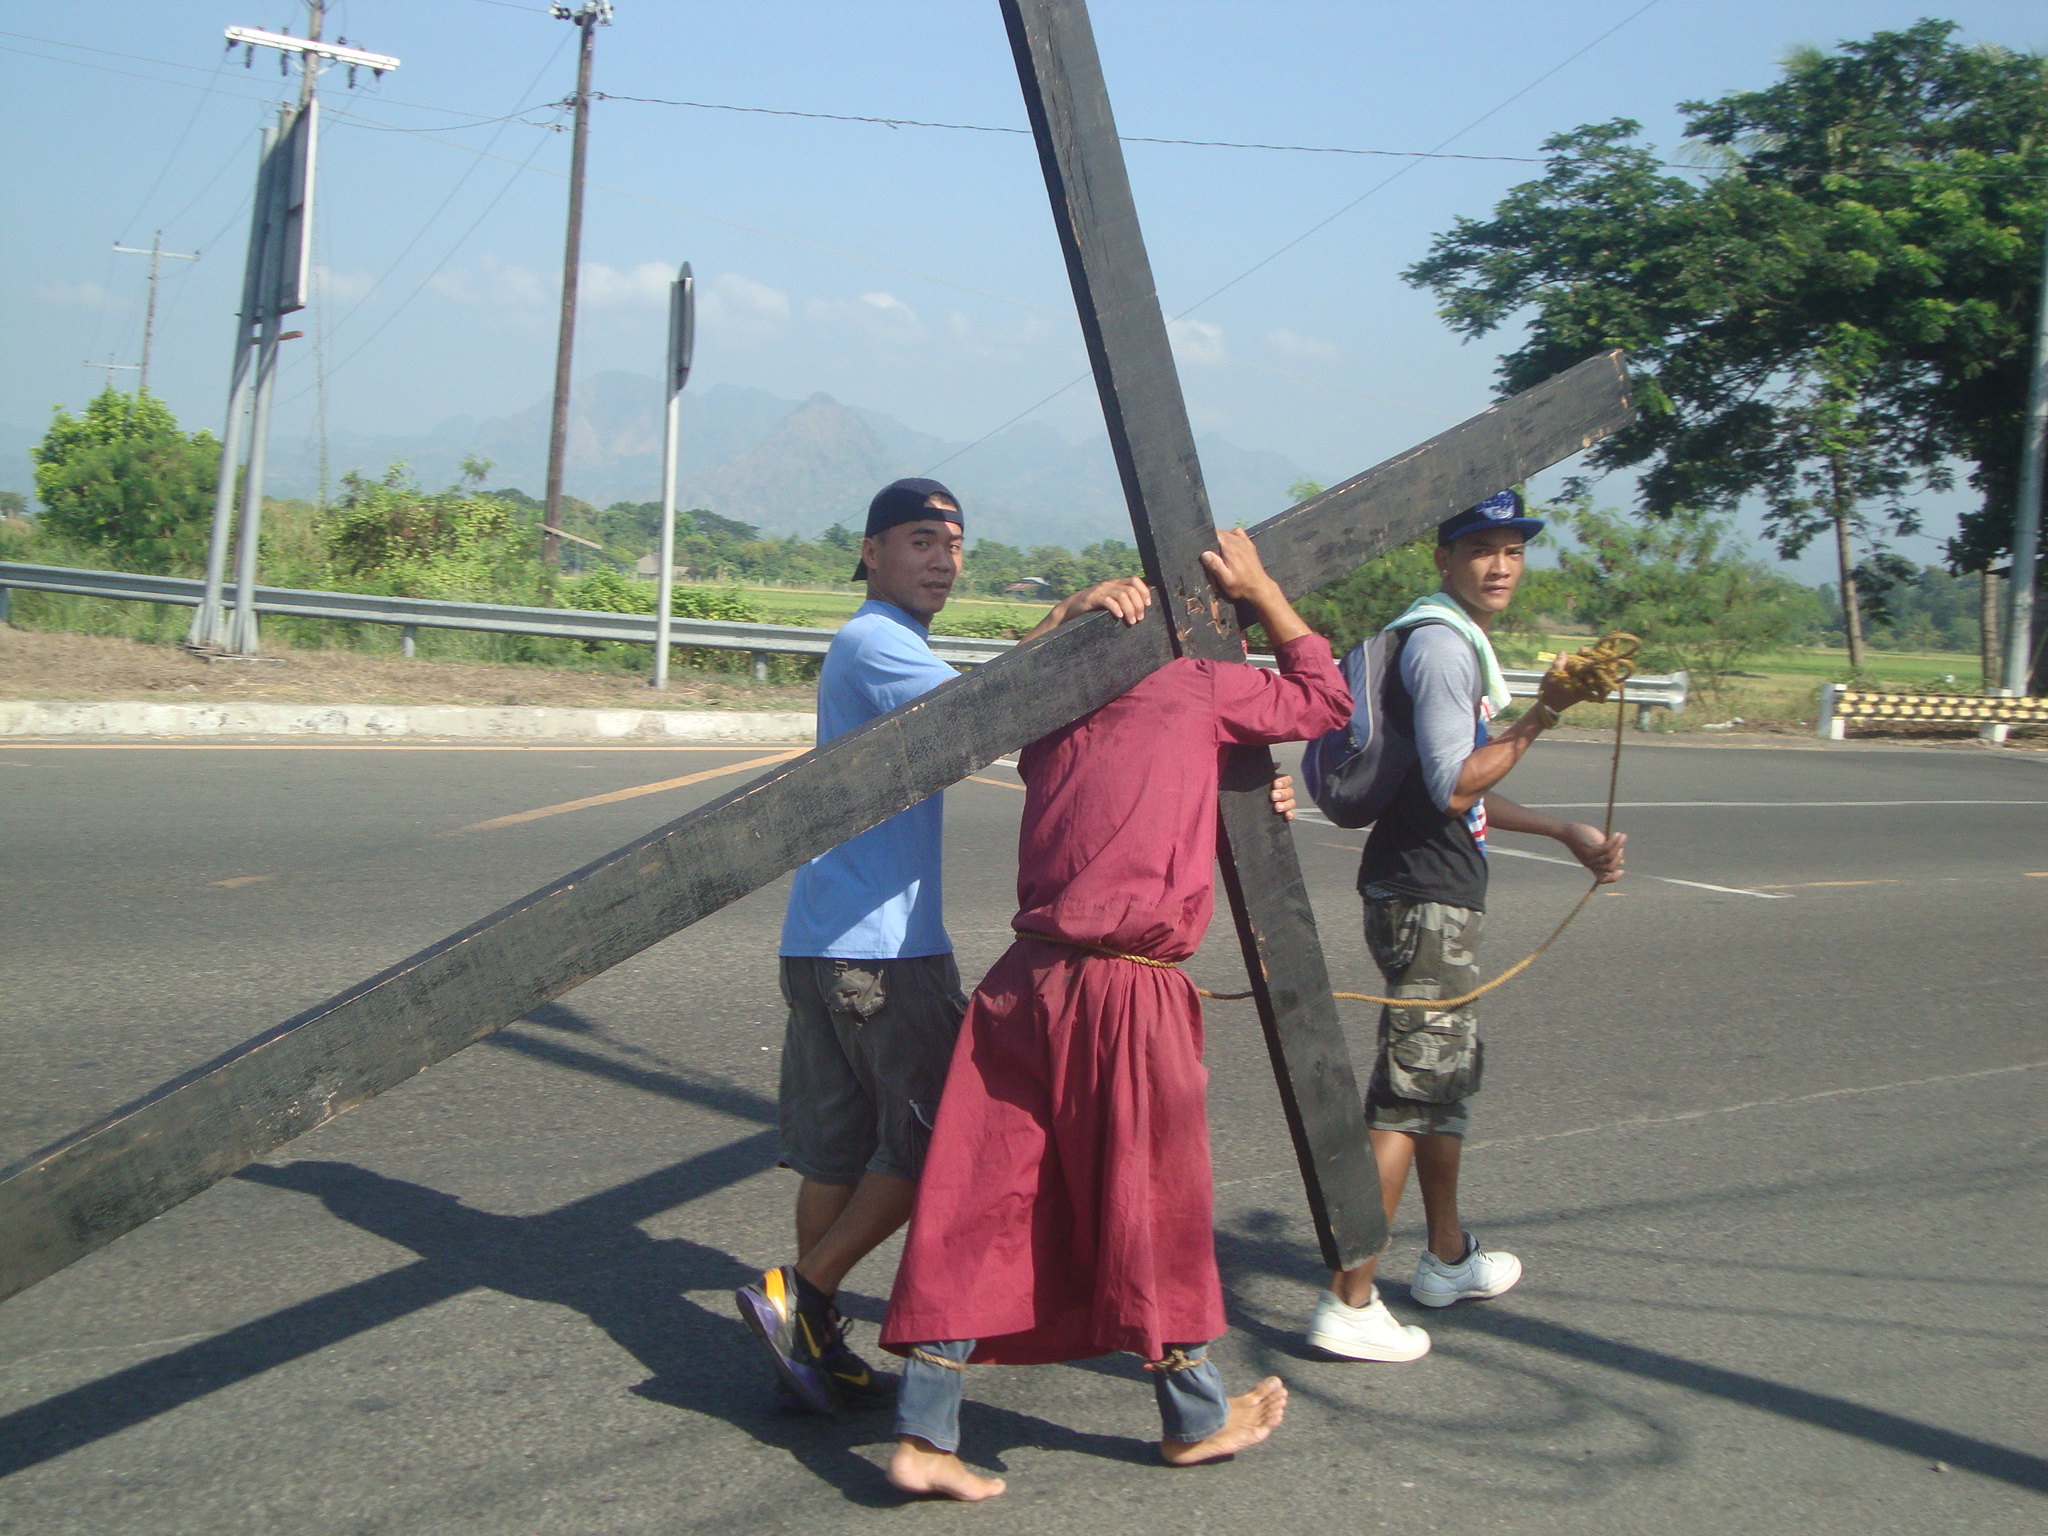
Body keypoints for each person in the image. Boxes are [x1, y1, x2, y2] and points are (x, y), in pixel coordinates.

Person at [877, 526, 1350, 1501]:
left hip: (1026, 976)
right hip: (1126, 985)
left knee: (981, 1190)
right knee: (1153, 1197)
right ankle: (1194, 1418)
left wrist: (1060, 620)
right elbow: (1324, 699)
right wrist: (1262, 591)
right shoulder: (1198, 681)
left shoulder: (1057, 688)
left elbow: (987, 708)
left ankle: (923, 1432)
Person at [736, 477, 1154, 1415]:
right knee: (944, 1140)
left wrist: (1047, 626)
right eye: (921, 541)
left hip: (820, 940)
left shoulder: (885, 647)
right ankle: (802, 1295)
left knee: (835, 1157)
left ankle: (809, 1343)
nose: (942, 560)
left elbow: (981, 699)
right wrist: (1068, 615)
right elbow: (999, 715)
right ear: (872, 552)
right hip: (886, 950)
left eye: (954, 545)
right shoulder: (878, 642)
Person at [1304, 489, 1626, 1364]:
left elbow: (1462, 791)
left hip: (1430, 886)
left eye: (1514, 550)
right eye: (1480, 549)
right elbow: (1453, 785)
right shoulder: (1445, 647)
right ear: (1443, 560)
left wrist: (1564, 832)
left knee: (1444, 1080)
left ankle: (1446, 1259)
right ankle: (1350, 1297)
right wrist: (1546, 711)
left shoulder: (1443, 638)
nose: (1501, 565)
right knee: (1410, 1092)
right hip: (1424, 897)